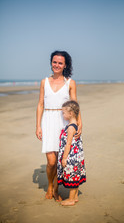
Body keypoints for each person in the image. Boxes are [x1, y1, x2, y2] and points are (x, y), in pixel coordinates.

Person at [36, 51, 82, 201]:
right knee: (51, 161)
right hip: (48, 121)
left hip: (64, 122)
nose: (57, 65)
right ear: (51, 63)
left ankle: (56, 189)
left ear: (65, 65)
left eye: (60, 63)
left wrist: (79, 123)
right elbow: (40, 104)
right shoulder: (44, 81)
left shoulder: (70, 83)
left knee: (62, 158)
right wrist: (38, 126)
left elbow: (75, 105)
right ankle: (50, 185)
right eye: (54, 62)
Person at [57, 100, 86, 206]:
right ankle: (75, 196)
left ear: (70, 114)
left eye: (63, 113)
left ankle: (71, 199)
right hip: (77, 156)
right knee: (76, 175)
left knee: (72, 176)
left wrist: (64, 158)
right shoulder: (75, 125)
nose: (62, 115)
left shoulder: (70, 128)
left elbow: (68, 144)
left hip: (71, 157)